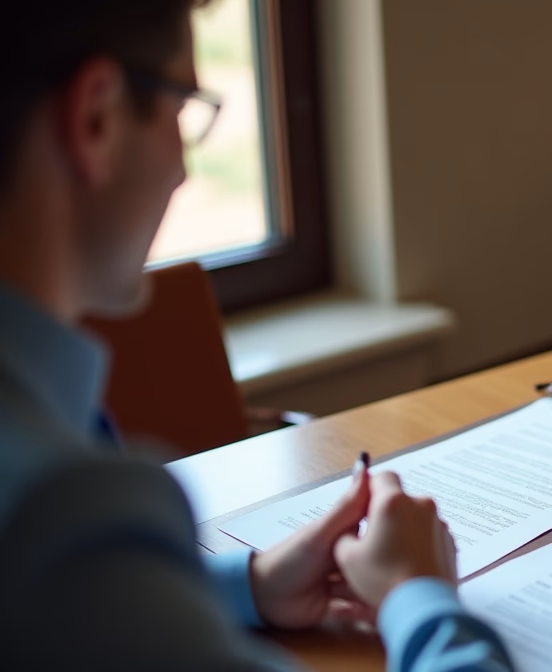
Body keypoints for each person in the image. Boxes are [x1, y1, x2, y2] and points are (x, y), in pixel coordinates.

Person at [0, 2, 512, 670]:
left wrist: (251, 582)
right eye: (184, 106)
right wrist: (419, 596)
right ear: (94, 118)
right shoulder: (56, 511)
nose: (182, 169)